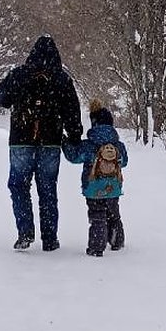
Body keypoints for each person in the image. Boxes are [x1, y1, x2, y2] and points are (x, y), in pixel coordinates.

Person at [0, 35, 82, 251]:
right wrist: (74, 136)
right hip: (50, 141)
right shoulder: (61, 79)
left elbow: (1, 98)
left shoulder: (19, 74)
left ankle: (25, 232)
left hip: (21, 140)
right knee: (48, 188)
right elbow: (72, 111)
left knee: (18, 185)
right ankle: (50, 239)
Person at [62, 99, 128, 257]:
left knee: (97, 216)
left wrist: (65, 142)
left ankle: (96, 248)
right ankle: (117, 241)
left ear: (94, 123)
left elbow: (73, 157)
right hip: (113, 188)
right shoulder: (118, 145)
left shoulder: (89, 145)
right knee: (114, 214)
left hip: (93, 189)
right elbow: (124, 162)